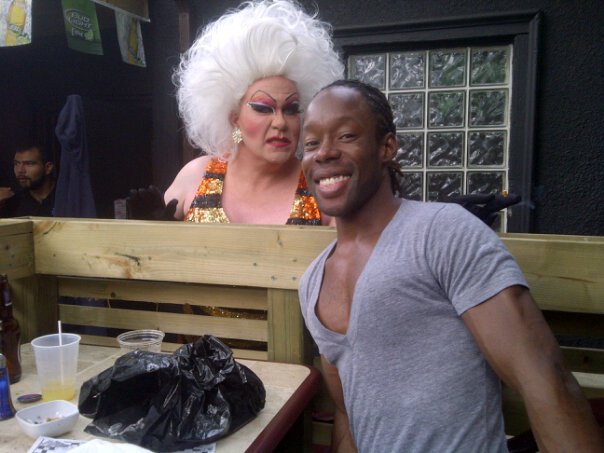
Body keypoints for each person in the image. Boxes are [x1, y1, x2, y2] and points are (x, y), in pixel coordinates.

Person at [298, 80, 603, 452]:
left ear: (386, 147)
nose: (324, 153)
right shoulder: (312, 282)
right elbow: (348, 415)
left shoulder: (444, 233)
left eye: (346, 136)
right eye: (311, 143)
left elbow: (543, 377)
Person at [155, 0, 343, 226]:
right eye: (263, 108)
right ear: (234, 118)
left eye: (291, 109)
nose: (280, 122)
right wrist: (145, 226)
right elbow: (148, 244)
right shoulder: (196, 175)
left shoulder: (320, 184)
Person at [0, 143, 56, 218]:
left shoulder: (66, 198)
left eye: (29, 164)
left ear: (48, 167)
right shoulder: (11, 202)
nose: (20, 170)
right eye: (16, 164)